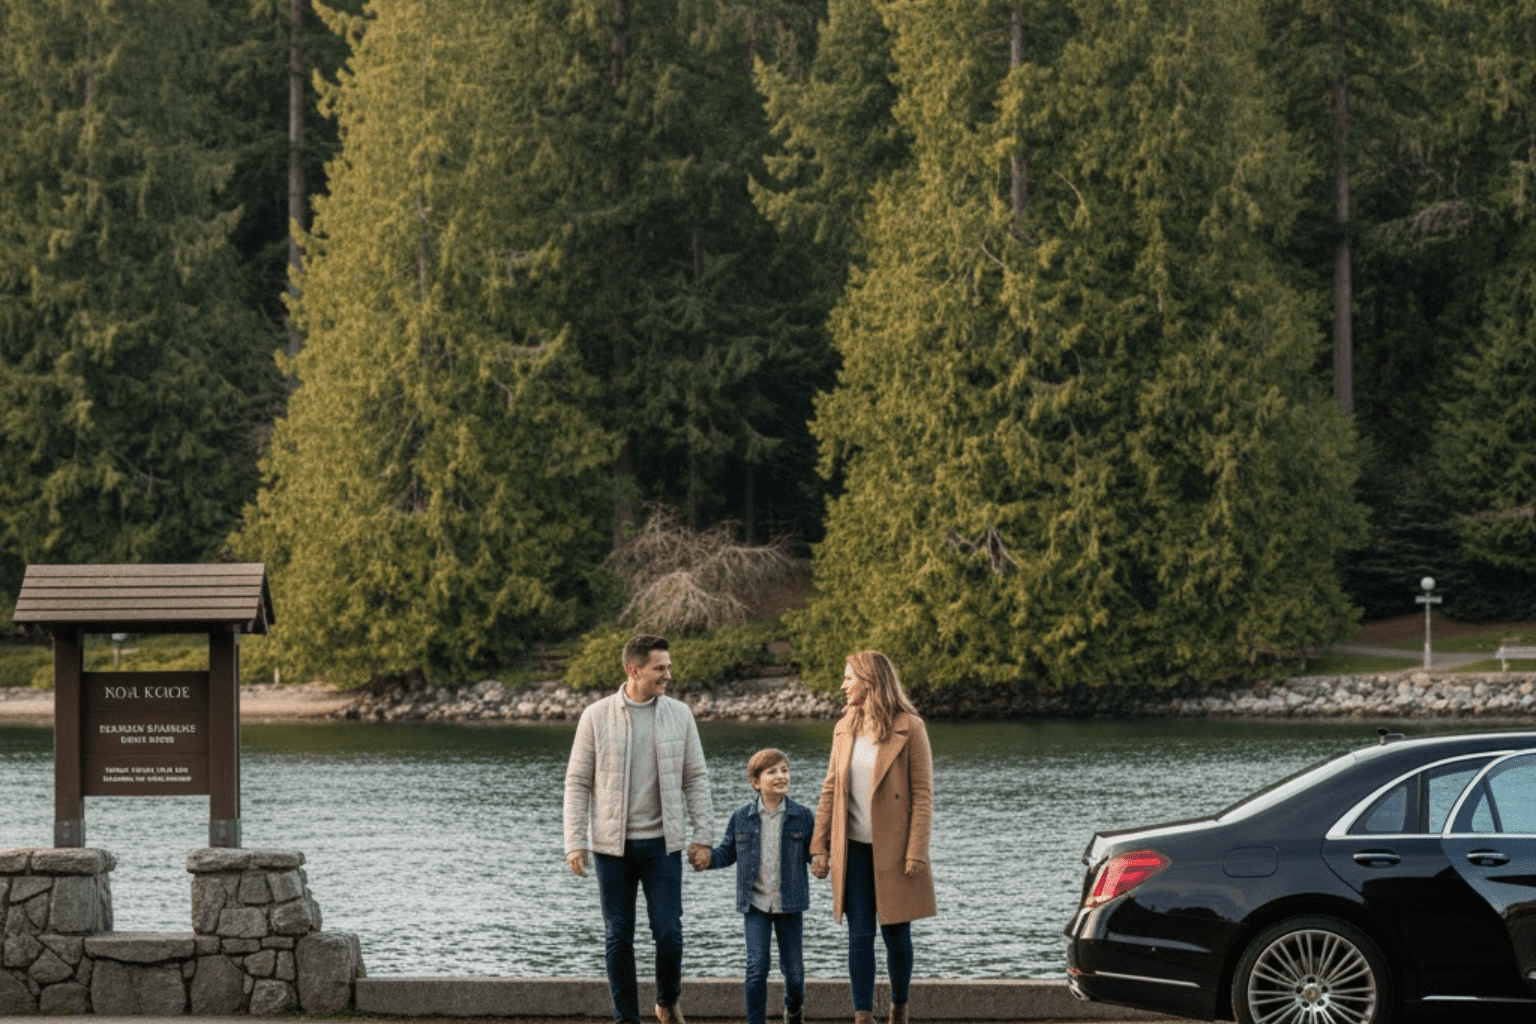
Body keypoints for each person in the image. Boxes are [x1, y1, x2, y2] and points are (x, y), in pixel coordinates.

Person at [564, 634, 714, 1024]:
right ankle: (626, 1019)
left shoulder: (680, 714)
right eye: (659, 668)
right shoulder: (595, 716)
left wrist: (702, 835)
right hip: (611, 848)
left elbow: (696, 778)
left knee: (669, 932)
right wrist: (575, 841)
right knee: (618, 936)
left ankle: (666, 999)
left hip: (663, 845)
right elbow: (577, 782)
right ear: (634, 670)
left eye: (668, 666)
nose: (668, 674)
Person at [810, 651, 936, 1024]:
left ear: (870, 681)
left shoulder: (910, 727)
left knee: (896, 934)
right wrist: (819, 845)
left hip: (896, 851)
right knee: (860, 935)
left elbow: (922, 795)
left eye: (849, 678)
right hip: (853, 850)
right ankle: (862, 1015)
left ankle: (899, 1008)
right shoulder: (843, 727)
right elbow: (830, 789)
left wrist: (916, 851)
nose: (843, 685)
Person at [700, 748, 814, 1024]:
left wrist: (824, 860)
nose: (781, 776)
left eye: (785, 770)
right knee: (756, 969)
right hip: (755, 904)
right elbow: (727, 853)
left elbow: (816, 854)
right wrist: (707, 859)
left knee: (795, 973)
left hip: (790, 904)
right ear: (755, 782)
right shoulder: (741, 816)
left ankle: (794, 1011)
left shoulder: (803, 816)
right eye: (772, 771)